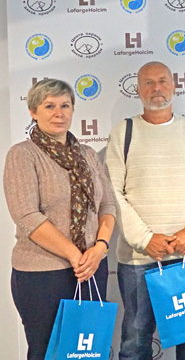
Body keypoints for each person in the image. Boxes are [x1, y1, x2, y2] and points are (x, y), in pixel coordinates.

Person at [105, 61, 185, 360]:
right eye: (148, 82)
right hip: (139, 258)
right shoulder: (123, 132)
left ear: (173, 86)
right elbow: (112, 193)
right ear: (138, 90)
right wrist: (145, 238)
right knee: (135, 340)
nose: (156, 88)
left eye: (162, 81)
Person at [3, 79, 117, 360]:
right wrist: (75, 255)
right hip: (43, 275)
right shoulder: (22, 154)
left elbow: (107, 204)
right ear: (33, 111)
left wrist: (100, 248)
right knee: (47, 352)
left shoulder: (88, 155)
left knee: (88, 352)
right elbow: (27, 215)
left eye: (65, 105)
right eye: (49, 106)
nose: (59, 113)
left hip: (91, 268)